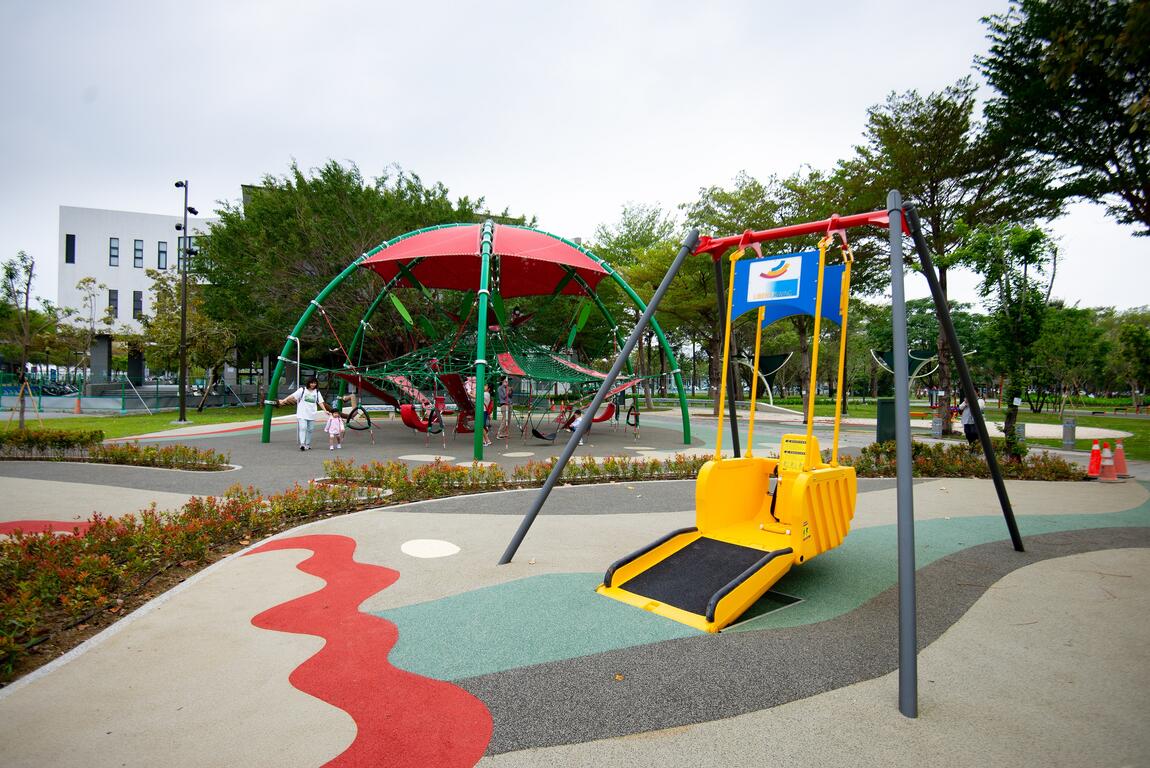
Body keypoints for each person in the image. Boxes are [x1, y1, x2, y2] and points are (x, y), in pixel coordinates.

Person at [278, 377, 325, 451]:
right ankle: (302, 444)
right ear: (308, 383)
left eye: (314, 383)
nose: (313, 384)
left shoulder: (317, 392)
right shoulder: (302, 390)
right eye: (311, 383)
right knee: (303, 427)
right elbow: (293, 396)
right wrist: (284, 400)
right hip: (302, 413)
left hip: (312, 414)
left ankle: (307, 444)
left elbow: (320, 402)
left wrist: (325, 410)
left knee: (310, 429)